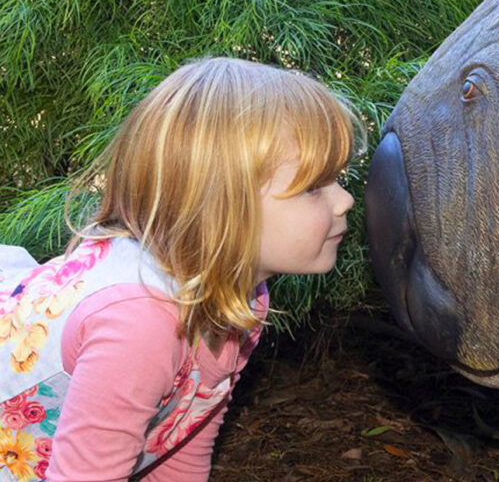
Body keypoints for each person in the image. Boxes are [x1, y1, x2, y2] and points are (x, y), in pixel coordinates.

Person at [0, 57, 361, 481]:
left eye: (339, 178)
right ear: (220, 205)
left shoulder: (242, 294)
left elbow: (180, 435)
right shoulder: (139, 323)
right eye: (314, 188)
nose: (345, 200)